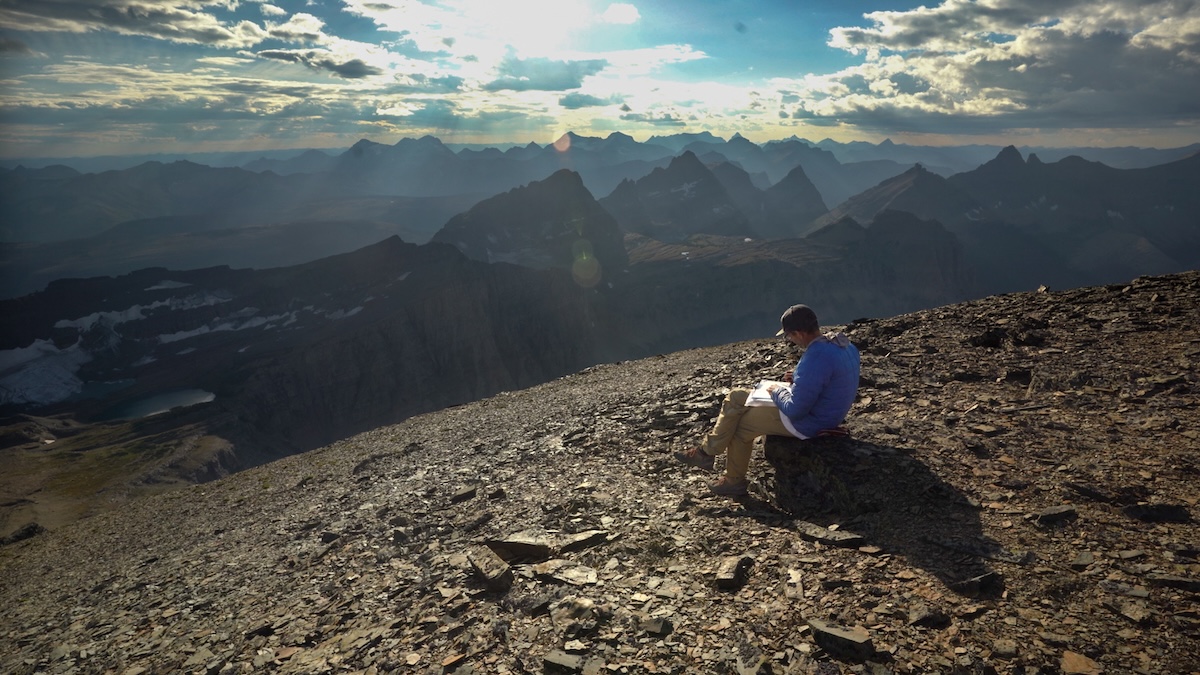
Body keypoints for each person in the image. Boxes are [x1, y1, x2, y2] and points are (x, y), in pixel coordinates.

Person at [674, 304, 861, 496]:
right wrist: (797, 377)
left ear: (798, 333)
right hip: (826, 412)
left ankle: (732, 480)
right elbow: (828, 378)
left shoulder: (815, 357)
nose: (790, 340)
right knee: (736, 396)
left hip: (811, 422)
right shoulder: (840, 344)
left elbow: (796, 410)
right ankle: (705, 453)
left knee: (740, 427)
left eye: (789, 336)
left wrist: (776, 391)